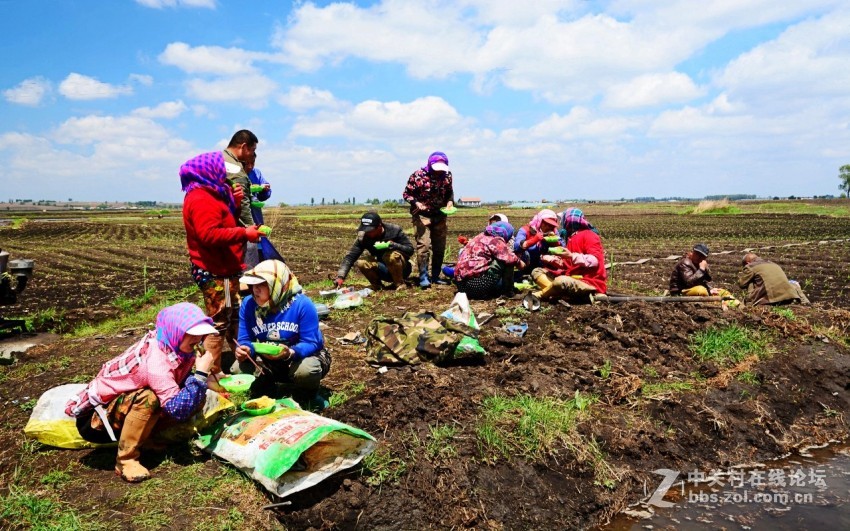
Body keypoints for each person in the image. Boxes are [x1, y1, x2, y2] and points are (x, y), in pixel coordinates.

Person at [65, 303, 218, 482]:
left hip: (121, 409)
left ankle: (146, 440)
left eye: (200, 335)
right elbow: (177, 409)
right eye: (191, 334)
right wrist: (200, 375)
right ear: (175, 331)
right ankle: (126, 460)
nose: (197, 339)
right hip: (96, 422)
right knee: (150, 398)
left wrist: (200, 382)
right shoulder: (157, 362)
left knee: (195, 394)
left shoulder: (175, 347)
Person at [181, 150, 264, 379]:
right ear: (209, 172)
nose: (225, 177)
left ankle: (244, 359)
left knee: (233, 314)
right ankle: (212, 373)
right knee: (219, 320)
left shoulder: (212, 193)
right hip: (216, 271)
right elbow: (209, 234)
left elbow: (223, 221)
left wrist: (234, 205)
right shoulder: (201, 199)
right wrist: (244, 233)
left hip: (225, 268)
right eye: (221, 172)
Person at [235, 260, 331, 406]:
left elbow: (312, 342)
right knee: (238, 368)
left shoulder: (302, 304)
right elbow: (244, 339)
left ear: (277, 285)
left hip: (299, 358)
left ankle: (309, 397)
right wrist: (245, 350)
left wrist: (290, 353)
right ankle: (267, 391)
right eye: (253, 285)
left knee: (306, 370)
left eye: (261, 285)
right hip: (269, 359)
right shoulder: (248, 304)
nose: (255, 290)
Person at [402, 151, 455, 288]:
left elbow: (449, 192)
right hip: (422, 215)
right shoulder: (418, 176)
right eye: (436, 169)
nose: (438, 172)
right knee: (424, 245)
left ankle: (436, 276)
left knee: (439, 247)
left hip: (440, 215)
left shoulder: (447, 175)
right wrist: (416, 203)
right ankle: (424, 277)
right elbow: (407, 194)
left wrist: (450, 202)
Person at [530, 208, 606, 302]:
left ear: (568, 221)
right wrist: (553, 260)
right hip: (571, 278)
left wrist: (571, 256)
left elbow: (594, 261)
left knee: (561, 281)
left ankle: (541, 294)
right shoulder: (571, 238)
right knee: (537, 271)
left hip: (588, 282)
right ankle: (557, 292)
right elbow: (567, 265)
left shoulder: (590, 235)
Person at [334, 212, 414, 291]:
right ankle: (378, 287)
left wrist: (394, 245)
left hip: (402, 269)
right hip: (382, 269)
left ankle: (400, 284)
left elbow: (410, 250)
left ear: (379, 226)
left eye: (370, 230)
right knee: (361, 263)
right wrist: (340, 276)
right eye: (366, 230)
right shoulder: (363, 237)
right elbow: (350, 257)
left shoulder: (394, 230)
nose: (368, 233)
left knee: (391, 256)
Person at [454, 221, 525, 299]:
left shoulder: (479, 236)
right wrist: (520, 263)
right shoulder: (495, 240)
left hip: (461, 286)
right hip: (476, 285)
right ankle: (509, 293)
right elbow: (510, 258)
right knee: (508, 261)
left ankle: (491, 291)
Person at [669, 243, 739, 305]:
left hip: (695, 289)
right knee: (702, 291)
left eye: (702, 256)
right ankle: (717, 303)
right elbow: (689, 282)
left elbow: (706, 280)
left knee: (723, 292)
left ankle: (735, 303)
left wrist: (710, 289)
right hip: (681, 291)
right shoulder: (685, 263)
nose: (699, 257)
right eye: (697, 254)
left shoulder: (700, 264)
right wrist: (701, 270)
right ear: (693, 252)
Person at [738, 253, 810, 305]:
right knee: (792, 283)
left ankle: (749, 304)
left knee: (750, 281)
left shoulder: (750, 266)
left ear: (747, 262)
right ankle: (805, 302)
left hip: (769, 298)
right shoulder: (773, 263)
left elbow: (742, 284)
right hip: (788, 296)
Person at [243, 152, 272, 268]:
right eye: (247, 163)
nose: (250, 166)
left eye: (253, 163)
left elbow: (263, 195)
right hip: (243, 221)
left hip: (256, 217)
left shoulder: (256, 173)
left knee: (259, 255)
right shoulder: (236, 175)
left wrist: (265, 190)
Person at [514, 209, 561, 273]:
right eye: (545, 223)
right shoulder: (525, 230)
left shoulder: (554, 232)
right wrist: (534, 240)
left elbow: (562, 248)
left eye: (551, 225)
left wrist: (555, 242)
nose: (548, 227)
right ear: (540, 221)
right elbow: (516, 246)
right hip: (526, 265)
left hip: (545, 267)